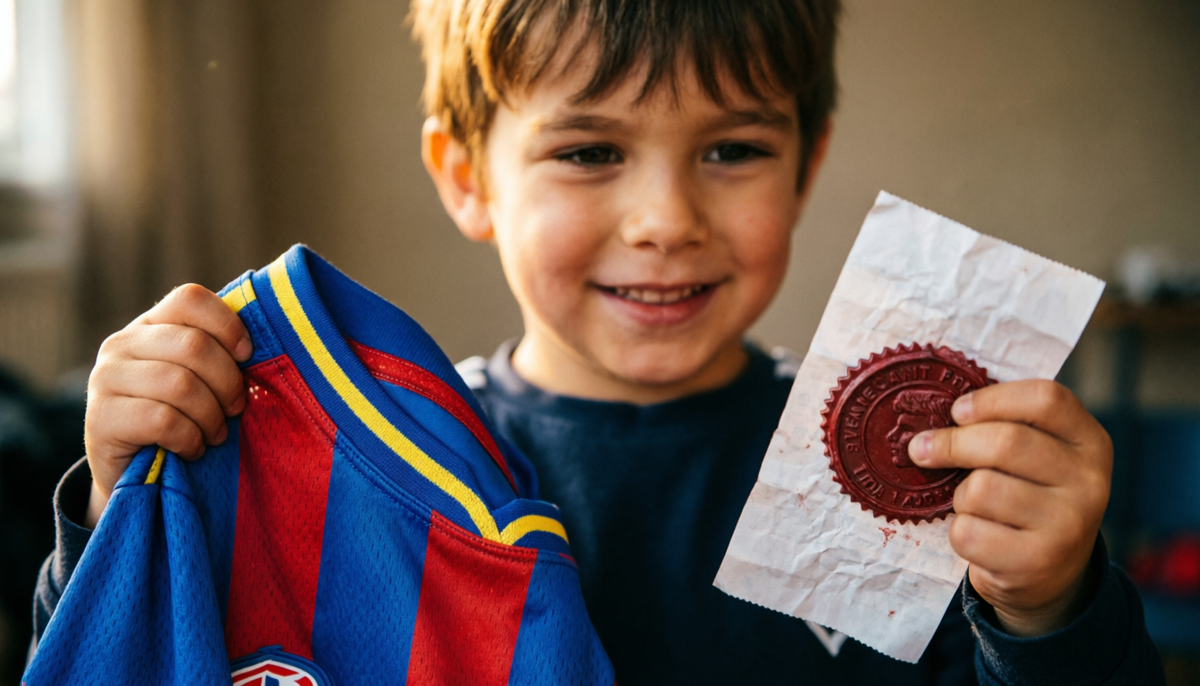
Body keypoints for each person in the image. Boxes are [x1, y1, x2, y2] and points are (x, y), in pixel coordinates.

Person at [33, 0, 1164, 683]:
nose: (666, 218)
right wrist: (124, 507)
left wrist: (1051, 603)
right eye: (588, 152)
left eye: (732, 151)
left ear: (808, 164)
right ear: (468, 176)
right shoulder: (369, 466)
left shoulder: (917, 476)